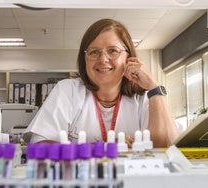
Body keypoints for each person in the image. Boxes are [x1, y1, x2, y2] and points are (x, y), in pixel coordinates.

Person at [26, 18, 179, 148]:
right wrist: (104, 147)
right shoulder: (68, 90)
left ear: (129, 57)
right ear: (84, 59)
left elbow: (168, 147)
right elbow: (40, 145)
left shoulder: (144, 97)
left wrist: (154, 87)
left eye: (112, 50)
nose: (103, 59)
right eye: (94, 52)